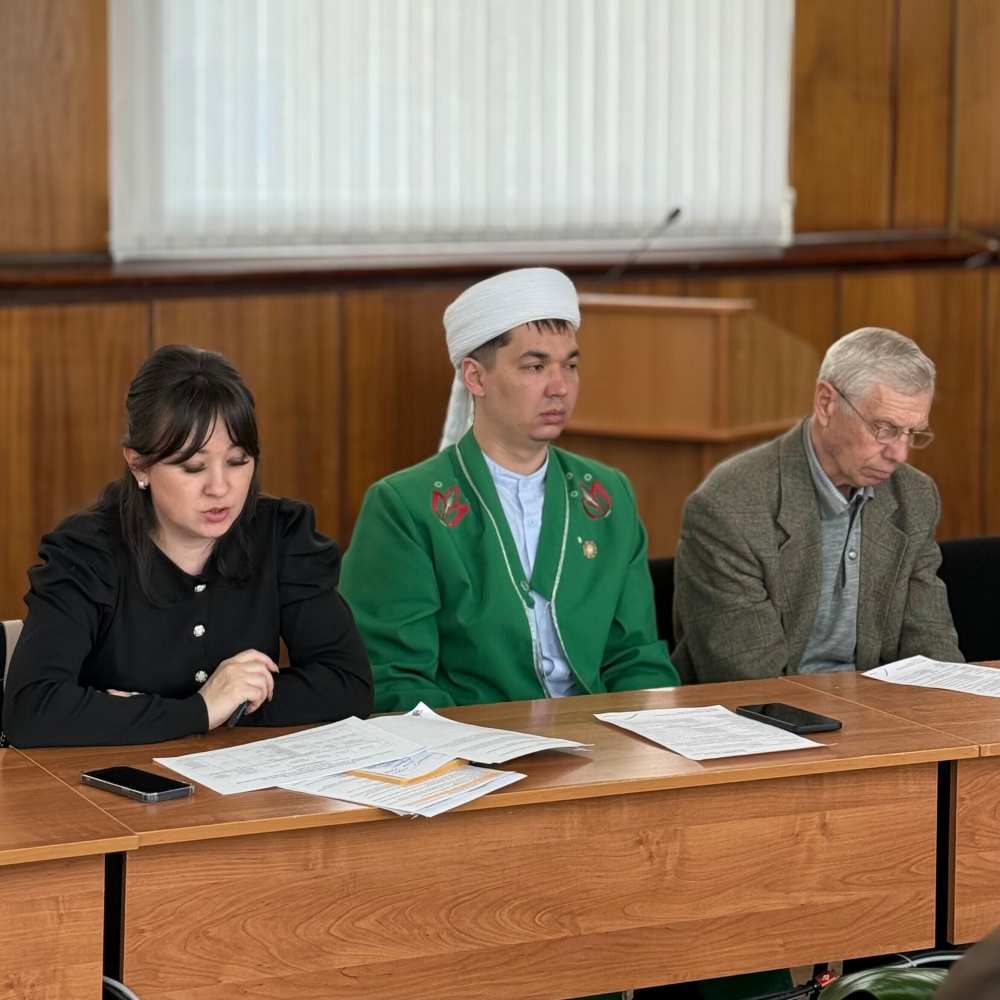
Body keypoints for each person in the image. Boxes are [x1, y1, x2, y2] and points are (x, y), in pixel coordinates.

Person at [340, 266, 677, 714]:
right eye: (535, 367)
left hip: (601, 738)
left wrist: (656, 733)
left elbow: (637, 657)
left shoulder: (607, 494)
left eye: (570, 366)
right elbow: (395, 678)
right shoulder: (405, 506)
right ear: (475, 377)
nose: (560, 387)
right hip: (472, 741)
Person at [3, 345, 372, 747]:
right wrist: (200, 709)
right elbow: (31, 710)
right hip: (101, 780)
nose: (220, 488)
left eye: (238, 461)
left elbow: (347, 684)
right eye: (193, 467)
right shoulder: (87, 552)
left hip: (234, 776)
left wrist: (218, 705)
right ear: (139, 465)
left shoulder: (280, 534)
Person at [672, 326, 962, 683]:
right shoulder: (730, 506)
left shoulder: (913, 495)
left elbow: (932, 648)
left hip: (879, 708)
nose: (900, 454)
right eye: (885, 429)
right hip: (769, 710)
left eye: (912, 433)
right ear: (826, 403)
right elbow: (751, 681)